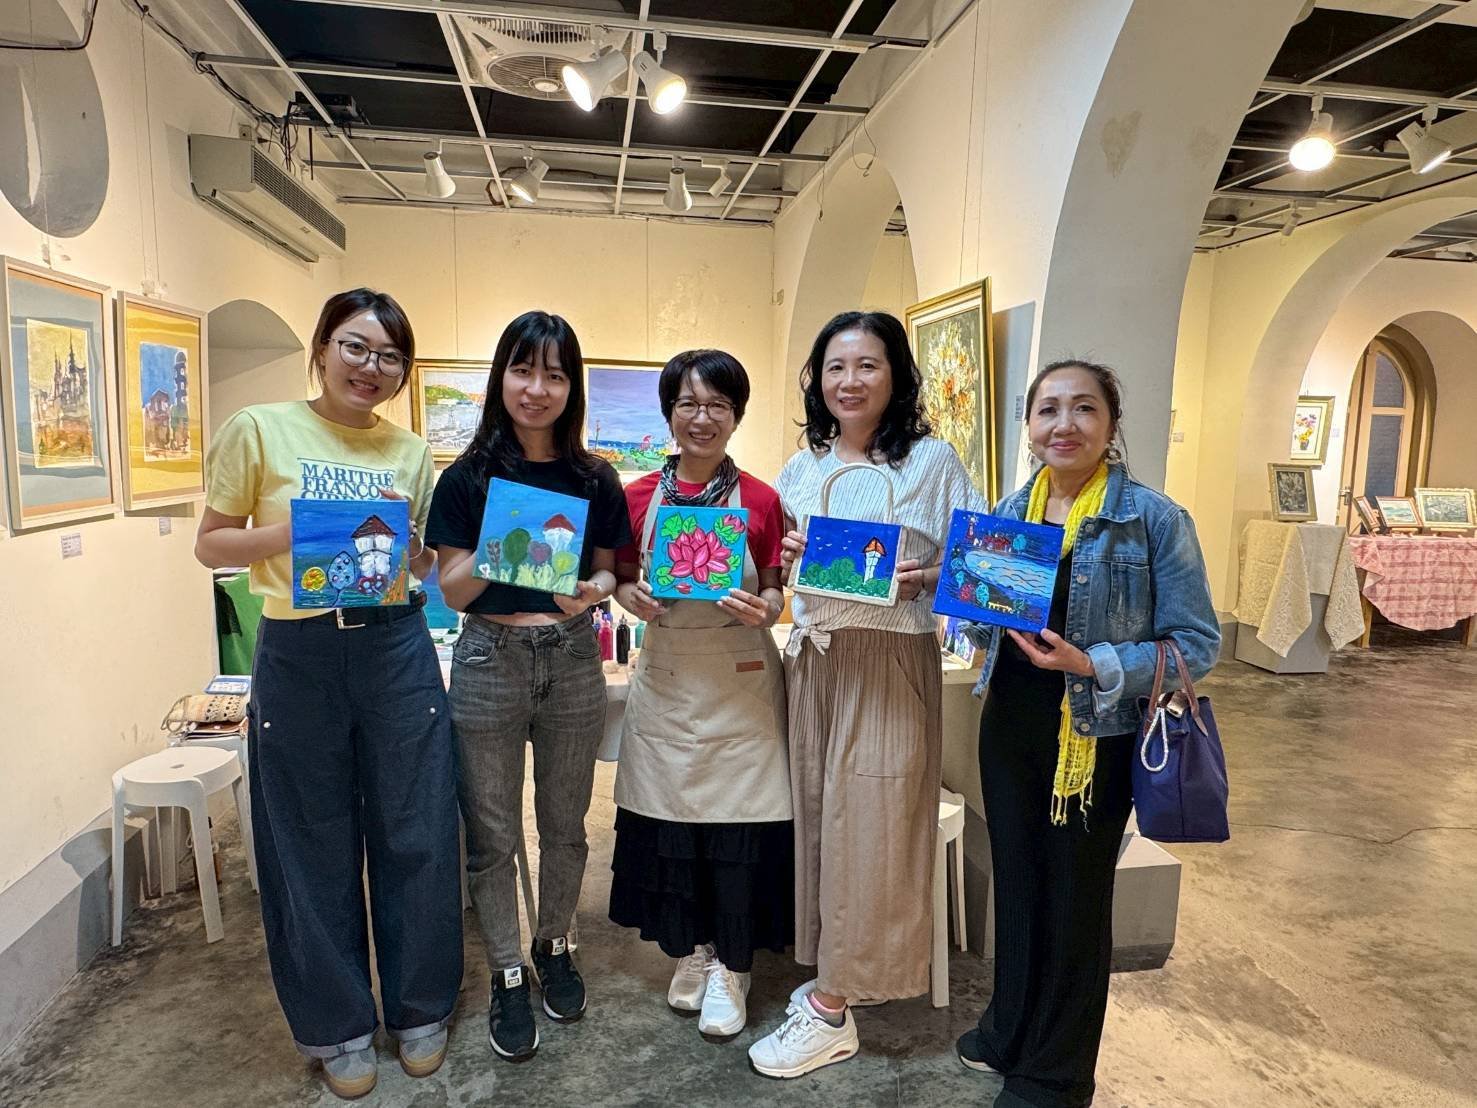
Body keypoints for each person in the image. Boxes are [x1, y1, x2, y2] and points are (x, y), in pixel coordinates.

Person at [196, 289, 462, 1100]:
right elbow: (211, 545)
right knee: (307, 838)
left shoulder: (410, 451)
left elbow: (419, 560)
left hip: (395, 644)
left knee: (417, 827)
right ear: (321, 348)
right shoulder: (258, 428)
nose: (370, 367)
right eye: (355, 347)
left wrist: (422, 555)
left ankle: (420, 1007)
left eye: (389, 357)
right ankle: (338, 1026)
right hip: (301, 647)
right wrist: (299, 531)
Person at [954, 359, 1219, 1108]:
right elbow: (987, 625)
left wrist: (1091, 662)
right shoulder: (1011, 510)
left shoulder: (1152, 519)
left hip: (1095, 736)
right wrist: (958, 591)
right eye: (1048, 410)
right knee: (1018, 882)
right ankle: (1008, 1031)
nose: (1063, 425)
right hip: (1011, 726)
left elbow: (1196, 646)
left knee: (1074, 898)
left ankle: (1056, 1074)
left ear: (1110, 424)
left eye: (1083, 409)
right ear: (1028, 425)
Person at [748, 310, 984, 1079]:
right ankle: (835, 974)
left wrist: (927, 578)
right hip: (814, 659)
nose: (849, 381)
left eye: (867, 365)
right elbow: (788, 574)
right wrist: (786, 557)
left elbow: (983, 568)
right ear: (816, 379)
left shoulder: (931, 462)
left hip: (888, 662)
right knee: (823, 818)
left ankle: (832, 1012)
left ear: (896, 375)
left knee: (873, 823)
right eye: (835, 367)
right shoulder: (802, 467)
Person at [424, 310, 630, 1063]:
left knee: (566, 824)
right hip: (488, 658)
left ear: (571, 387)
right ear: (501, 378)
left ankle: (555, 943)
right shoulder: (466, 477)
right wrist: (504, 541)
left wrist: (591, 592)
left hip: (572, 656)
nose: (536, 388)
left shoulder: (594, 477)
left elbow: (609, 572)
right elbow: (452, 590)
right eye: (522, 370)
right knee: (492, 835)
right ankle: (507, 969)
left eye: (554, 374)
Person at [607, 349, 793, 1042]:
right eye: (688, 403)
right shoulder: (632, 498)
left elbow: (774, 590)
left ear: (736, 415)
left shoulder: (763, 500)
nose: (702, 418)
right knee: (675, 827)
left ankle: (734, 968)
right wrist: (631, 598)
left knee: (737, 831)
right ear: (669, 414)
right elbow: (620, 579)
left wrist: (766, 608)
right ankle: (694, 952)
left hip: (740, 681)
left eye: (718, 404)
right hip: (668, 678)